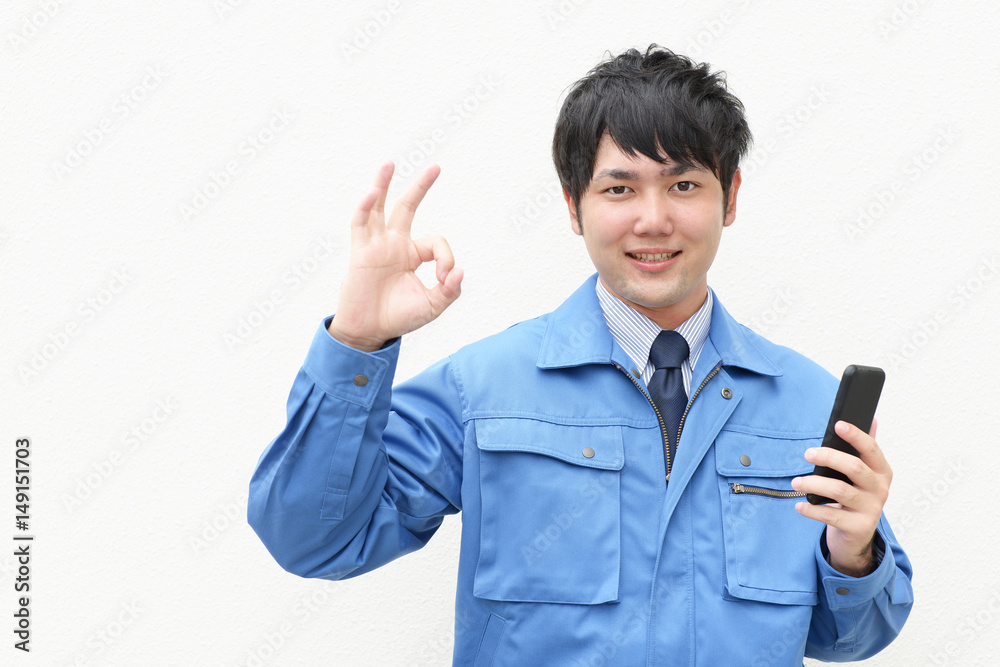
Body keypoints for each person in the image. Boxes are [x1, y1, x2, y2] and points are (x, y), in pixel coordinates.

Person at [248, 45, 913, 665]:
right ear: (574, 206)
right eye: (619, 189)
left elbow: (852, 637)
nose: (652, 220)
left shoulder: (809, 405)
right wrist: (356, 341)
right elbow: (315, 540)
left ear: (729, 197)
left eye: (684, 185)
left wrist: (854, 553)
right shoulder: (485, 389)